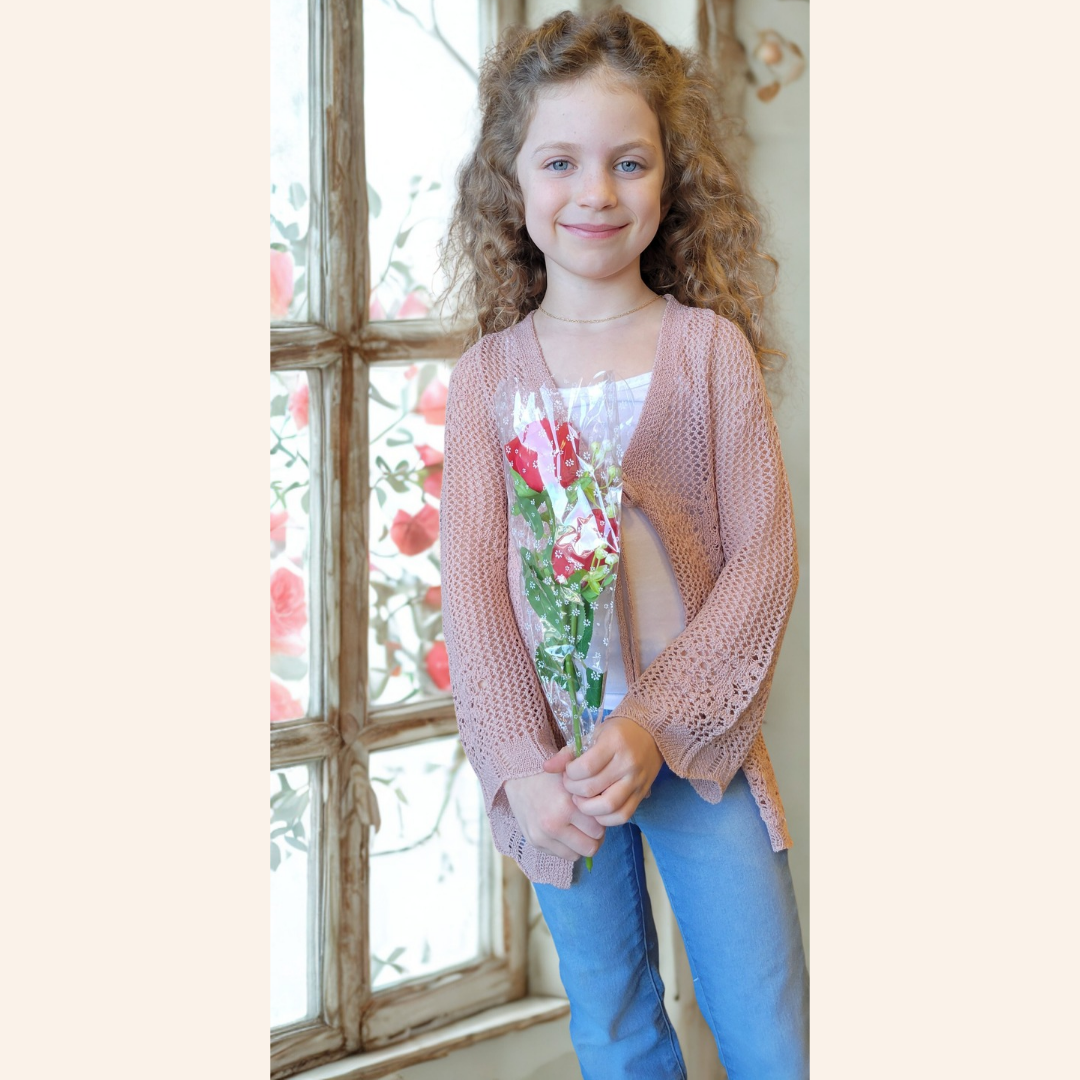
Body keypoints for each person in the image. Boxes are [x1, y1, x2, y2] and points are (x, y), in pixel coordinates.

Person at [438, 8, 808, 1078]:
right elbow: (472, 591)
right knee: (612, 1025)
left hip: (698, 758)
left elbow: (765, 558)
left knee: (767, 1023)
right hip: (558, 763)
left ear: (668, 178)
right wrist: (519, 769)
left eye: (629, 162)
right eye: (561, 161)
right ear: (512, 182)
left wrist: (655, 724)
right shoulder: (487, 382)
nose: (596, 192)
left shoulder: (708, 354)